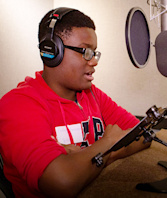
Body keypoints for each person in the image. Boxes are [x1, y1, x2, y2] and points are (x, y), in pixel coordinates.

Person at [0, 7, 151, 198]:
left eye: (95, 53)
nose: (94, 62)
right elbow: (62, 183)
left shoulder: (92, 94)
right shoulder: (18, 105)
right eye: (86, 51)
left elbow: (142, 135)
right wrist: (109, 141)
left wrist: (95, 156)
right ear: (52, 50)